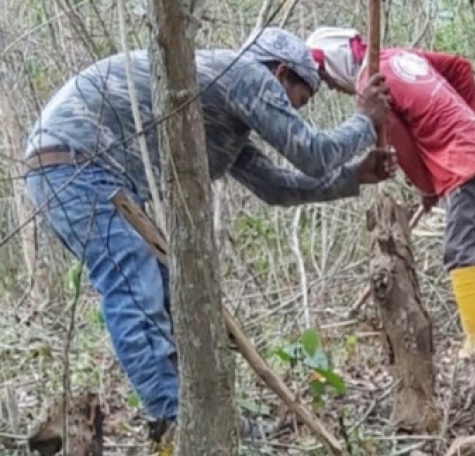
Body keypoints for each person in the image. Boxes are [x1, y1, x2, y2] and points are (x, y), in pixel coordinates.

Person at [21, 27, 398, 435]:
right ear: (280, 73)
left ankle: (203, 418)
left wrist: (353, 176)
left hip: (78, 170)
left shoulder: (220, 109)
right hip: (76, 165)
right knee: (134, 283)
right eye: (299, 100)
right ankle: (176, 421)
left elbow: (274, 187)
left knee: (168, 292)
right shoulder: (243, 75)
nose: (294, 112)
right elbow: (312, 154)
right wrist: (364, 120)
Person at [305, 27, 475, 361]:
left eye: (326, 78)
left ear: (335, 64)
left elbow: (402, 144)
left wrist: (427, 186)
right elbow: (460, 68)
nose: (330, 86)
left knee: (464, 252)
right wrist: (473, 125)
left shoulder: (370, 86)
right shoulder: (397, 56)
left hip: (462, 162)